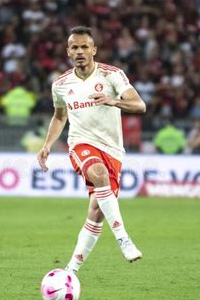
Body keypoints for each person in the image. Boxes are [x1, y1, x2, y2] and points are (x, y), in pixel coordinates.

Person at [37, 26, 146, 273]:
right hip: (81, 144)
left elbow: (140, 105)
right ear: (67, 52)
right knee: (97, 173)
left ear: (93, 50)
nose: (79, 51)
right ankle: (123, 238)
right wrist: (47, 145)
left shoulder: (112, 75)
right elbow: (59, 117)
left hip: (113, 150)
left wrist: (113, 101)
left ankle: (70, 270)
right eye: (74, 47)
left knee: (97, 211)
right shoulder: (61, 84)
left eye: (84, 46)